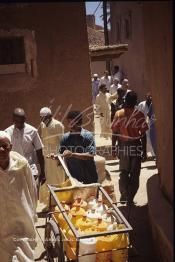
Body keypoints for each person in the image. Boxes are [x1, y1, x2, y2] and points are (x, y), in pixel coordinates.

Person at [0, 131, 37, 261]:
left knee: (25, 250)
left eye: (4, 145)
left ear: (10, 147)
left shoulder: (22, 165)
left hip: (22, 217)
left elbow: (32, 189)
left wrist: (34, 212)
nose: (1, 149)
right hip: (3, 221)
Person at [111, 91, 148, 205]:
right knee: (135, 174)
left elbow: (115, 133)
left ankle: (124, 194)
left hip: (123, 146)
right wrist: (144, 151)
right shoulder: (139, 114)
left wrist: (113, 148)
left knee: (123, 172)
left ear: (125, 100)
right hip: (136, 146)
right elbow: (143, 135)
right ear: (135, 101)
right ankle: (130, 198)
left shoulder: (119, 114)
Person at [50, 111, 98, 184]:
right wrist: (56, 157)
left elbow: (90, 155)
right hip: (74, 179)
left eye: (73, 122)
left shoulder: (88, 136)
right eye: (69, 122)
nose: (71, 125)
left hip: (89, 178)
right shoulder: (65, 138)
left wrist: (72, 154)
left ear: (80, 123)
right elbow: (62, 155)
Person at [5, 108, 45, 186]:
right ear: (13, 120)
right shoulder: (7, 132)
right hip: (14, 169)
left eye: (22, 121)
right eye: (17, 121)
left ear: (25, 119)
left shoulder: (33, 131)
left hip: (31, 169)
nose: (20, 124)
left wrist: (43, 172)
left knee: (32, 195)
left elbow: (39, 152)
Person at [39, 107, 65, 209]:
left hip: (56, 158)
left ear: (50, 116)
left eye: (44, 118)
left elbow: (62, 143)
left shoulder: (58, 125)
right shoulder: (42, 125)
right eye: (41, 118)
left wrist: (60, 158)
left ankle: (59, 203)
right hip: (46, 158)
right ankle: (49, 203)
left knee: (58, 180)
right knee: (48, 180)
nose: (42, 120)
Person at [137, 92, 155, 157]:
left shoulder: (153, 105)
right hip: (143, 125)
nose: (149, 99)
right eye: (148, 97)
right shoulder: (141, 104)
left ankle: (153, 154)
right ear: (146, 98)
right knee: (145, 139)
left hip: (152, 125)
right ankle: (146, 153)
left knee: (151, 139)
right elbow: (138, 114)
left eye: (150, 98)